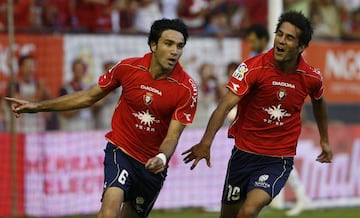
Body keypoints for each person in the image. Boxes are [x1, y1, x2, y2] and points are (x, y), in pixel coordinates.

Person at [5, 18, 198, 218]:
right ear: (153, 45)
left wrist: (161, 157)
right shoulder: (128, 68)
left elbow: (173, 136)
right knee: (108, 213)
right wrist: (38, 107)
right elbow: (88, 97)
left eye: (180, 46)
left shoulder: (187, 89)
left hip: (152, 164)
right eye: (169, 44)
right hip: (121, 151)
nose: (175, 51)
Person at [182, 11, 333, 218]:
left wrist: (324, 139)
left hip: (277, 159)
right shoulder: (252, 68)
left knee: (249, 210)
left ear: (301, 47)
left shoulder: (311, 77)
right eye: (279, 34)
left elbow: (319, 102)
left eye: (289, 38)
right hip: (243, 154)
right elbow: (225, 106)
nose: (281, 40)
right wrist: (206, 142)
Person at [245, 23, 311, 216]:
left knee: (278, 160)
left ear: (263, 39)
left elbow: (293, 91)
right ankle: (300, 197)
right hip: (260, 121)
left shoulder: (276, 58)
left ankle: (300, 196)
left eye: (252, 40)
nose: (250, 43)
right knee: (275, 161)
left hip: (273, 122)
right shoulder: (255, 59)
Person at [57, 58, 95, 131]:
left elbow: (96, 106)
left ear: (84, 71)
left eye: (81, 69)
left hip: (87, 127)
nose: (79, 72)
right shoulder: (65, 88)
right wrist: (83, 104)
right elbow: (64, 112)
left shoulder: (88, 88)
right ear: (73, 70)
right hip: (71, 127)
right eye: (77, 69)